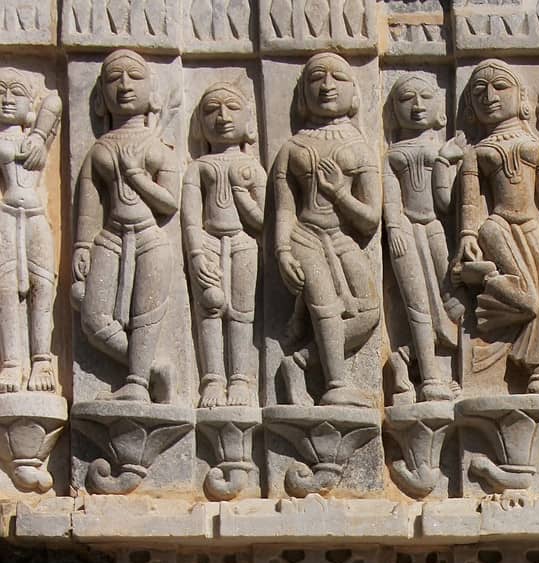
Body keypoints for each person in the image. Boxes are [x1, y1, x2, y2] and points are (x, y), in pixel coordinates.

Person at [452, 59, 539, 394]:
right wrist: (466, 236)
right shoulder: (477, 153)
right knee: (531, 300)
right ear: (471, 107)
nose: (489, 96)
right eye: (480, 91)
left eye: (499, 86)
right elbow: (470, 202)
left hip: (533, 226)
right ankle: (488, 278)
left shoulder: (534, 146)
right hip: (497, 227)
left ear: (521, 97)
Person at [272, 52, 381, 405]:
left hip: (341, 237)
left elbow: (369, 218)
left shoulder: (361, 149)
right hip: (305, 236)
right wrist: (282, 250)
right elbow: (285, 209)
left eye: (338, 77)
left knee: (370, 311)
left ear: (355, 93)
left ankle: (303, 362)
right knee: (326, 306)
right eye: (317, 78)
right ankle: (336, 386)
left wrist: (339, 193)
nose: (328, 85)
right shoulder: (293, 148)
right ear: (304, 93)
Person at [71, 50, 179, 400]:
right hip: (111, 237)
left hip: (150, 236)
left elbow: (169, 202)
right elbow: (88, 204)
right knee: (92, 317)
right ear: (102, 96)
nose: (125, 85)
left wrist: (135, 174)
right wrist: (82, 245)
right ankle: (154, 367)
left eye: (134, 76)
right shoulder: (99, 149)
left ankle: (135, 382)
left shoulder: (159, 147)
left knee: (145, 314)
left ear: (153, 92)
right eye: (114, 78)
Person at [182, 82, 265, 408]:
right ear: (200, 124)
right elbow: (190, 216)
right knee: (209, 309)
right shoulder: (199, 167)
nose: (222, 117)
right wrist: (196, 253)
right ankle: (213, 379)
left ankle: (241, 380)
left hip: (243, 242)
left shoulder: (252, 168)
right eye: (211, 110)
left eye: (232, 108)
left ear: (248, 122)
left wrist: (243, 198)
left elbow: (263, 221)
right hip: (208, 242)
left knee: (242, 312)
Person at [383, 73, 463, 402]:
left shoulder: (446, 150)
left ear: (440, 110)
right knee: (415, 301)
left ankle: (451, 368)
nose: (416, 106)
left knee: (453, 298)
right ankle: (429, 376)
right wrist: (393, 226)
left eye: (424, 98)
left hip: (438, 229)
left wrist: (446, 159)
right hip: (405, 230)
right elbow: (390, 198)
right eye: (406, 98)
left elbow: (450, 202)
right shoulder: (392, 155)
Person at [0, 67, 61, 395]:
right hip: (5, 215)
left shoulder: (35, 137)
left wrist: (38, 134)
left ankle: (41, 358)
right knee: (5, 287)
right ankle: (12, 361)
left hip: (35, 214)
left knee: (42, 283)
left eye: (16, 92)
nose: (7, 99)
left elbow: (55, 101)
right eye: (1, 92)